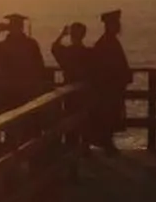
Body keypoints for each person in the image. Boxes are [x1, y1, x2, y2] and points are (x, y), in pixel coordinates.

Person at [88, 8, 133, 154]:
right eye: (116, 24)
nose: (119, 26)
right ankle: (106, 143)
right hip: (108, 87)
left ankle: (107, 142)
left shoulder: (109, 42)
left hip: (111, 86)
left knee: (110, 115)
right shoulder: (106, 43)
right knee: (107, 115)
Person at [0, 13, 48, 107]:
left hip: (11, 89)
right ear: (22, 27)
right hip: (25, 88)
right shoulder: (31, 44)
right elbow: (39, 66)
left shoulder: (3, 46)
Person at [51, 20, 91, 86]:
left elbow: (54, 48)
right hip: (84, 88)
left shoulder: (67, 52)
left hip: (68, 86)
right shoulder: (88, 53)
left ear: (71, 35)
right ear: (83, 35)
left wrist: (62, 35)